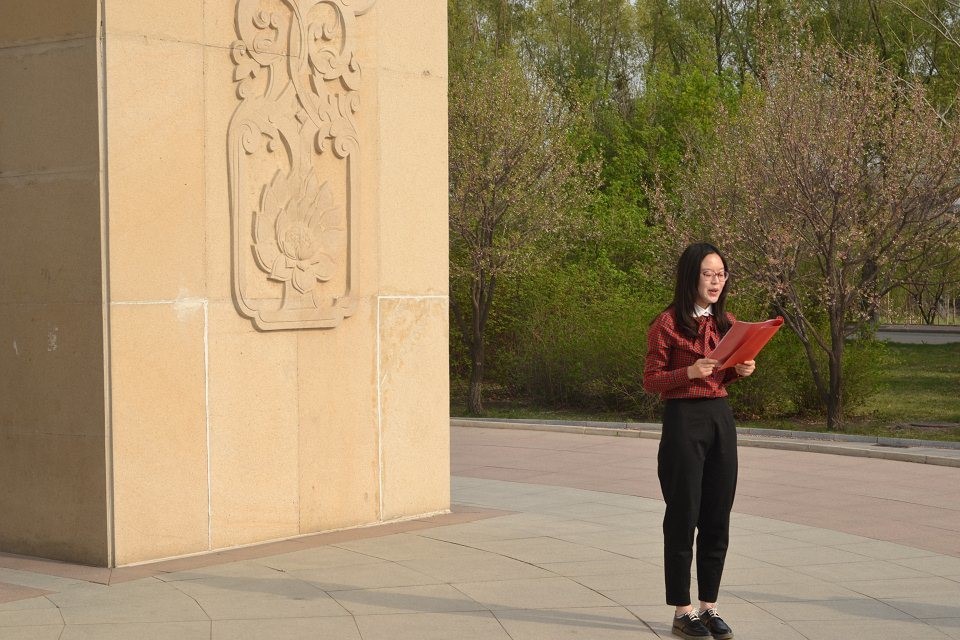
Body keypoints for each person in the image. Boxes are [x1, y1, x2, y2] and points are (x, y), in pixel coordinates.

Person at [643, 242, 755, 640]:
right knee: (683, 516)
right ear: (691, 276)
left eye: (721, 274)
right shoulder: (667, 323)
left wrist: (740, 370)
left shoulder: (728, 323)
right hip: (683, 420)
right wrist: (688, 372)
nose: (715, 281)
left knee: (717, 516)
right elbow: (651, 380)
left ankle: (709, 607)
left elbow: (721, 375)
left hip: (720, 418)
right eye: (708, 273)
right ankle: (682, 611)